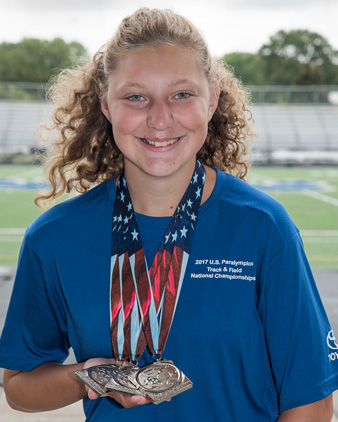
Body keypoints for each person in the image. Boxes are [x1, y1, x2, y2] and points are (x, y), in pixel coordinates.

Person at [0, 7, 337, 421]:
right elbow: (18, 386)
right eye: (136, 96)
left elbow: (313, 403)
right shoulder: (53, 237)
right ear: (106, 104)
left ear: (211, 99)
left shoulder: (263, 228)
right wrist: (89, 376)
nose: (160, 119)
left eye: (181, 94)